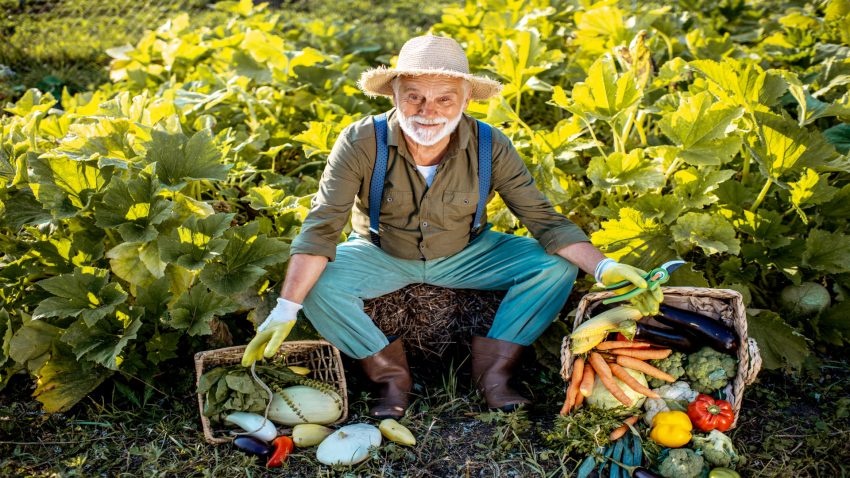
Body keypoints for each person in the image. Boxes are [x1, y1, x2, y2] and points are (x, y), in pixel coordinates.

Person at [241, 34, 662, 418]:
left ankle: (495, 377)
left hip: (469, 252)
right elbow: (321, 228)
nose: (428, 112)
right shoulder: (361, 141)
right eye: (414, 97)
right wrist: (285, 310)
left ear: (466, 100)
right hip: (379, 252)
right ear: (393, 93)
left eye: (445, 99)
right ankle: (391, 380)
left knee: (553, 266)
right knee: (318, 284)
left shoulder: (489, 144)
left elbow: (543, 220)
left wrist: (605, 269)